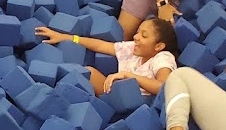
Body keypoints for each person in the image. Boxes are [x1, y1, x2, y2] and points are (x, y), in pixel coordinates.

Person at [35, 17, 179, 97]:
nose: (136, 37)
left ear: (159, 46)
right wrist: (66, 37)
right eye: (137, 32)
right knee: (86, 73)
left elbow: (164, 87)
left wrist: (128, 76)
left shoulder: (163, 58)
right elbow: (100, 46)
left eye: (144, 35)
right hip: (115, 95)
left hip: (139, 106)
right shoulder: (133, 48)